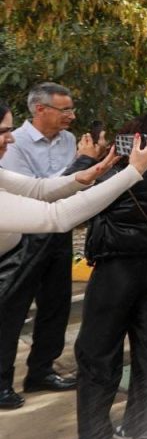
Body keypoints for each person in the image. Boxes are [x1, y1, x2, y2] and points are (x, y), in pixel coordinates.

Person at [0, 101, 147, 411]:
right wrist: (133, 173)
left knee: (53, 308)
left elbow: (39, 189)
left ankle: (41, 370)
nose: (12, 137)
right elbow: (56, 216)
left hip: (38, 245)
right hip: (24, 246)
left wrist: (91, 171)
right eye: (4, 131)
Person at [69, 114, 147, 439]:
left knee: (97, 352)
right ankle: (143, 426)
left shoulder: (118, 176)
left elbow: (71, 203)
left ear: (130, 142)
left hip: (115, 272)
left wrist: (90, 161)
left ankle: (91, 438)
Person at [0, 82, 81, 405]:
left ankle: (41, 371)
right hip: (24, 232)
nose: (70, 116)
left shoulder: (70, 140)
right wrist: (79, 166)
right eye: (64, 110)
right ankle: (3, 380)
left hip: (59, 231)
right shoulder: (13, 142)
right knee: (12, 309)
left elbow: (65, 186)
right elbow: (34, 189)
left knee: (56, 304)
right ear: (40, 109)